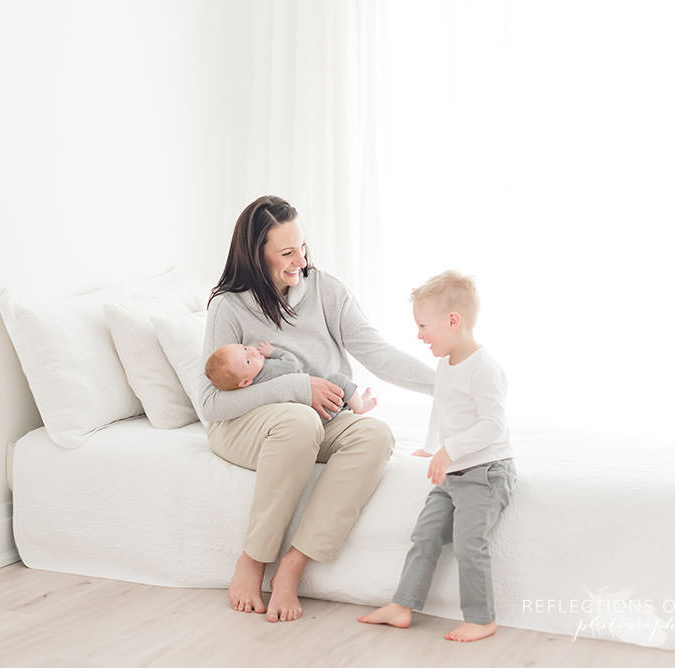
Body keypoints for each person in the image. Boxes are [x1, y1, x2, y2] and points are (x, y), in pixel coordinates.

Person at [200, 195, 434, 623]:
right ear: (257, 255)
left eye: (303, 247)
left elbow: (376, 353)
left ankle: (293, 565)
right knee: (298, 419)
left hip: (314, 420)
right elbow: (212, 404)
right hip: (244, 425)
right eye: (286, 252)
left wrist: (443, 382)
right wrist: (295, 386)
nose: (300, 260)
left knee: (375, 434)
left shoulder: (326, 290)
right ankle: (252, 560)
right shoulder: (228, 307)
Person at [357, 270, 517, 642]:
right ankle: (402, 605)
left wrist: (450, 450)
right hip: (455, 473)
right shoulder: (446, 364)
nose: (419, 335)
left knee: (468, 543)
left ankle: (481, 618)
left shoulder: (486, 369)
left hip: (486, 472)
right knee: (425, 534)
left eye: (423, 325)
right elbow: (443, 410)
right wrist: (433, 446)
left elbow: (493, 426)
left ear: (453, 321)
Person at [204, 341, 378, 422]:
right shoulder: (270, 369)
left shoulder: (252, 387)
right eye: (247, 361)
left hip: (309, 414)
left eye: (244, 348)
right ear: (245, 382)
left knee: (335, 392)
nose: (252, 352)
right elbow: (291, 362)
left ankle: (352, 402)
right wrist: (273, 352)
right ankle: (359, 406)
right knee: (338, 381)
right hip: (318, 409)